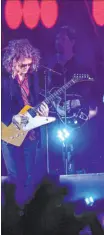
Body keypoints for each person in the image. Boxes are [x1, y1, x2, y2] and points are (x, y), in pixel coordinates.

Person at [45, 25, 103, 174]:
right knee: (55, 157)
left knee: (79, 157)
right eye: (57, 38)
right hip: (55, 119)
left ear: (72, 42)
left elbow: (94, 92)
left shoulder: (82, 67)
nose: (58, 41)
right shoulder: (50, 67)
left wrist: (90, 107)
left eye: (63, 38)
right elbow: (45, 92)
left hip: (78, 120)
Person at [1, 39, 49, 203]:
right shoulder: (4, 79)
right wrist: (11, 119)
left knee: (31, 176)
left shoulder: (33, 77)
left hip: (30, 131)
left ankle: (29, 213)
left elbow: (36, 99)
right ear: (12, 61)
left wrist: (44, 111)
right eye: (22, 65)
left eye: (29, 65)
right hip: (9, 131)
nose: (26, 69)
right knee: (15, 176)